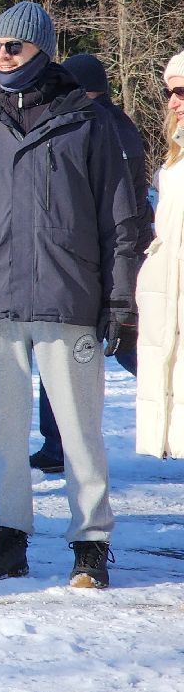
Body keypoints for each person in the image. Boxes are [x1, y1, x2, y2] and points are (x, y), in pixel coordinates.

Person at [0, 1, 137, 589]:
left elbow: (120, 220)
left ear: (42, 48)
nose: (1, 58)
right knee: (3, 428)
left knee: (79, 428)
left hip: (68, 295)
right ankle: (9, 535)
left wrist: (120, 302)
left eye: (12, 47)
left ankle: (90, 540)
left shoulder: (86, 123)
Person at [31, 52, 149, 473]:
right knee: (116, 347)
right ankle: (57, 442)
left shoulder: (90, 124)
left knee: (67, 344)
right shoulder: (120, 124)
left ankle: (56, 444)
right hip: (125, 251)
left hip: (103, 255)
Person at [136, 50, 184, 459]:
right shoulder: (174, 160)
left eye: (182, 92)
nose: (172, 103)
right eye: (171, 93)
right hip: (169, 304)